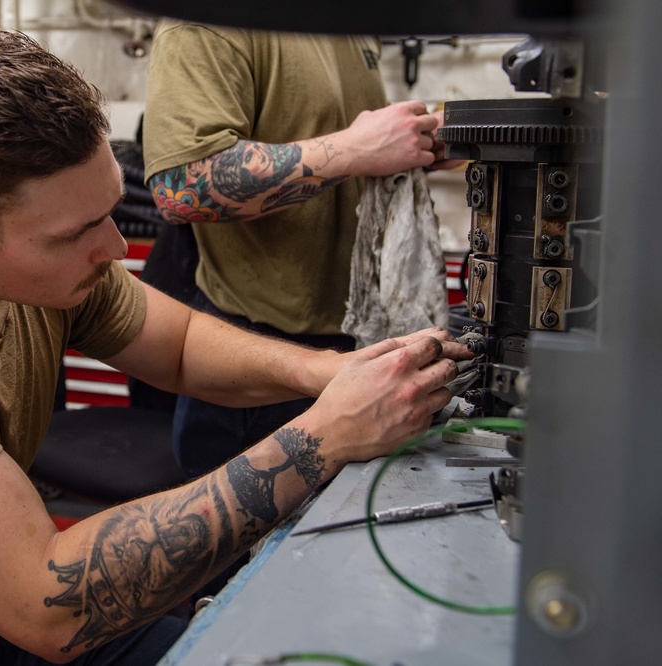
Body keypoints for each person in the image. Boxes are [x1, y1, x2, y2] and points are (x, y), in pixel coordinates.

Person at [0, 28, 469, 665]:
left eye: (110, 211)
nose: (115, 247)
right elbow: (48, 605)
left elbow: (177, 346)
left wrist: (335, 371)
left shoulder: (37, 276)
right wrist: (326, 434)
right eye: (75, 235)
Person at [143, 21, 459, 480]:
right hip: (258, 365)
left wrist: (411, 147)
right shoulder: (205, 19)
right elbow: (181, 185)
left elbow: (332, 156)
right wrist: (355, 148)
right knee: (250, 551)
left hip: (356, 344)